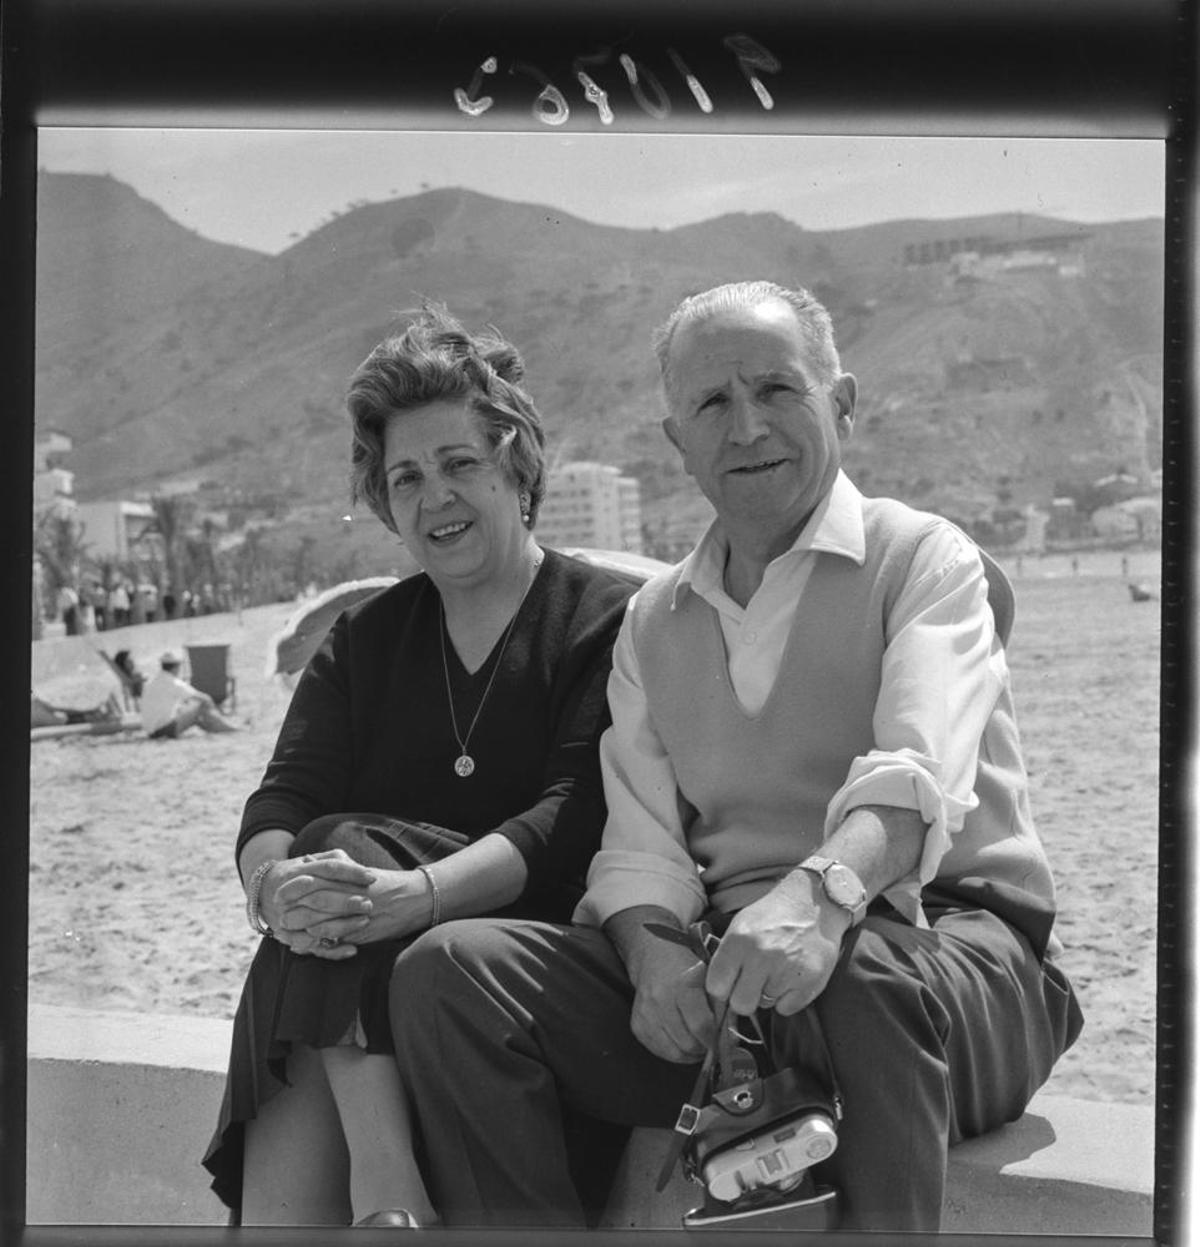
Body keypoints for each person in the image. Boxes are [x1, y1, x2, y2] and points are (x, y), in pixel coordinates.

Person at [386, 281, 1084, 1232]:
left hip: (951, 963)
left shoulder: (925, 560)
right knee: (450, 972)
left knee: (853, 973)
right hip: (739, 982)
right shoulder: (653, 621)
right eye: (712, 403)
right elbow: (641, 851)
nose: (747, 425)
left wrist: (821, 899)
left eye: (778, 391)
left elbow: (917, 776)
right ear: (678, 442)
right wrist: (655, 955)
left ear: (840, 402)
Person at [201, 304, 638, 1228]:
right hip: (357, 973)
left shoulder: (608, 618)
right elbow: (282, 795)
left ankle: (387, 1188)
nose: (433, 495)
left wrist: (420, 894)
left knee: (334, 852)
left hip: (514, 973)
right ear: (385, 503)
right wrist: (270, 887)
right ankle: (383, 1181)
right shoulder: (366, 638)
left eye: (458, 464)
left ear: (517, 464)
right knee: (310, 873)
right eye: (405, 478)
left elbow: (571, 816)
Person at [141, 649, 238, 737]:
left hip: (151, 732)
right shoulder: (174, 683)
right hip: (165, 730)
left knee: (197, 716)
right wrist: (217, 711)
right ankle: (228, 728)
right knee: (200, 708)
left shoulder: (152, 682)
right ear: (175, 667)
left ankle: (223, 728)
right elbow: (205, 698)